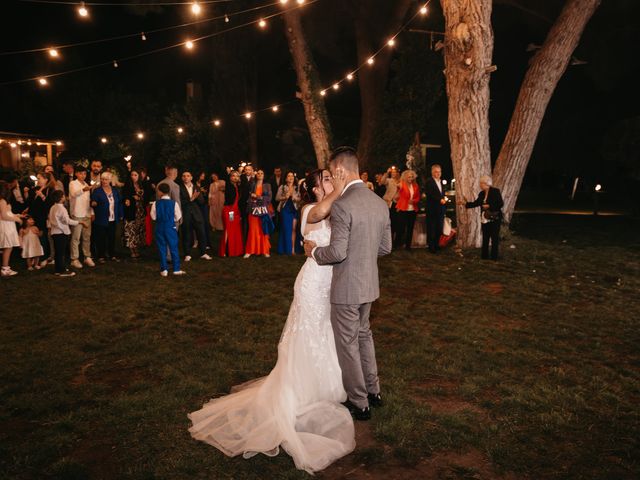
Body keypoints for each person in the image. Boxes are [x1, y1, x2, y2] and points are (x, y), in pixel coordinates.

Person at [189, 168, 355, 474]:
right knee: (306, 334)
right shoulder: (310, 209)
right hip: (311, 283)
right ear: (316, 187)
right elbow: (319, 212)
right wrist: (341, 186)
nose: (332, 182)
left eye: (333, 178)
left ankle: (328, 386)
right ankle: (302, 390)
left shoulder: (336, 207)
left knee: (324, 333)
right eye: (327, 179)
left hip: (330, 282)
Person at [304, 146, 392, 421]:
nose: (333, 180)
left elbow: (338, 252)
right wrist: (362, 253)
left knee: (348, 343)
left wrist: (314, 252)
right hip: (369, 286)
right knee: (364, 335)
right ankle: (374, 391)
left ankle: (359, 402)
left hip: (346, 289)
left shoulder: (342, 205)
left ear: (341, 171)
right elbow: (386, 248)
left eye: (332, 174)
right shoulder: (379, 202)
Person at [459, 175, 504, 260]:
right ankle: (484, 256)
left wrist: (489, 206)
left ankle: (494, 257)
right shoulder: (481, 193)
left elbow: (500, 204)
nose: (480, 185)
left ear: (485, 183)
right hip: (485, 219)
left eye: (481, 183)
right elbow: (476, 203)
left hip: (495, 218)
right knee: (485, 237)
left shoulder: (495, 191)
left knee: (494, 238)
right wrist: (465, 203)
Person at [151, 183, 185, 276]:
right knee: (173, 247)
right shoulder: (174, 203)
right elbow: (178, 216)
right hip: (170, 227)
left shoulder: (155, 203)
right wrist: (171, 220)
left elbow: (153, 217)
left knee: (162, 248)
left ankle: (164, 269)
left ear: (160, 192)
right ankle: (176, 269)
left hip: (159, 227)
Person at [179, 171, 212, 262]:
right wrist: (191, 199)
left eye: (188, 176)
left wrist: (198, 197)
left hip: (197, 214)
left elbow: (201, 202)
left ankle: (203, 253)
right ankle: (187, 254)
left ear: (191, 178)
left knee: (201, 233)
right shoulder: (179, 188)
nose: (186, 177)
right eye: (184, 176)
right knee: (186, 234)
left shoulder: (196, 187)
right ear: (182, 178)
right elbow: (180, 202)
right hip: (186, 214)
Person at [91, 172, 123, 263]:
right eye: (103, 179)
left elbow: (119, 202)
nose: (104, 181)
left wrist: (120, 214)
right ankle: (101, 256)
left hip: (113, 218)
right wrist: (93, 203)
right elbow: (93, 201)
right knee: (101, 238)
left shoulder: (115, 190)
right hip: (101, 218)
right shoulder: (97, 191)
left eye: (106, 179)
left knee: (112, 237)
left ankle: (112, 254)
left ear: (110, 180)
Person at [48, 189, 82, 277]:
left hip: (55, 232)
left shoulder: (53, 207)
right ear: (61, 198)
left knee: (58, 252)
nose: (64, 197)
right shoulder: (61, 208)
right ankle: (61, 270)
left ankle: (58, 268)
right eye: (63, 196)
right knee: (61, 252)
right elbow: (67, 220)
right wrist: (79, 222)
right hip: (61, 232)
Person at [68, 166, 95, 268]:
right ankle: (74, 259)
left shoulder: (86, 184)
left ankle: (87, 256)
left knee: (87, 237)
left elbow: (88, 201)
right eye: (81, 173)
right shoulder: (72, 183)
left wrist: (92, 212)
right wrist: (83, 190)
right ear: (76, 174)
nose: (83, 175)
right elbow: (73, 194)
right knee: (76, 237)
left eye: (84, 174)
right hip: (77, 214)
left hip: (86, 214)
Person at [27, 172, 55, 266]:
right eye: (37, 178)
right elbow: (31, 203)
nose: (38, 180)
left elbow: (50, 205)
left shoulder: (49, 190)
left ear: (46, 179)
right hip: (34, 217)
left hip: (43, 217)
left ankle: (44, 257)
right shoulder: (35, 189)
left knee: (42, 237)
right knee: (34, 238)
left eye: (39, 178)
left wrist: (42, 196)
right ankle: (34, 257)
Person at [243, 169, 272, 258]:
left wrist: (258, 197)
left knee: (263, 230)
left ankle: (264, 250)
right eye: (258, 173)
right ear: (256, 175)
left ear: (264, 175)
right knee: (252, 230)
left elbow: (269, 198)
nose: (259, 174)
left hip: (263, 211)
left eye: (261, 173)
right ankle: (250, 250)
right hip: (253, 211)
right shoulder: (252, 185)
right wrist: (252, 197)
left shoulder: (267, 185)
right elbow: (249, 196)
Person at [122, 169, 147, 259]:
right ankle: (132, 250)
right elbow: (124, 196)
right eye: (132, 175)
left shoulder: (141, 185)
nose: (133, 177)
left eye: (135, 175)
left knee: (138, 231)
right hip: (131, 211)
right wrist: (131, 198)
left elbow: (146, 196)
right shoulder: (128, 185)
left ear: (139, 176)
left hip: (140, 211)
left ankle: (137, 248)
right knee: (131, 230)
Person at [0, 181, 23, 277]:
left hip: (8, 224)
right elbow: (4, 216)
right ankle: (5, 268)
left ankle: (6, 267)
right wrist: (17, 219)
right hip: (5, 225)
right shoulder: (2, 201)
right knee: (8, 246)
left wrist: (17, 215)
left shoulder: (3, 200)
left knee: (8, 246)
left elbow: (7, 213)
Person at [219, 170, 244, 257]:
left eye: (237, 176)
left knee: (235, 231)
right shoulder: (229, 186)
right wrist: (228, 172)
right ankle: (224, 251)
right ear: (230, 177)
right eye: (233, 176)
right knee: (228, 229)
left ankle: (234, 250)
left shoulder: (238, 187)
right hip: (230, 211)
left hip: (236, 211)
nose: (235, 177)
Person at [394, 169, 421, 250]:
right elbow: (398, 187)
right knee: (400, 228)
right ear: (405, 177)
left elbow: (418, 197)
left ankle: (408, 246)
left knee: (410, 228)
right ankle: (396, 245)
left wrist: (413, 201)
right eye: (409, 177)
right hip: (403, 209)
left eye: (412, 177)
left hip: (412, 210)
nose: (411, 178)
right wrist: (398, 186)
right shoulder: (402, 184)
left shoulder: (416, 186)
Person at [275, 171, 301, 255]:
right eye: (289, 176)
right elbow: (277, 198)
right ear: (286, 178)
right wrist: (284, 197)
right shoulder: (282, 187)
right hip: (285, 209)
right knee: (287, 229)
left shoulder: (297, 187)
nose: (290, 178)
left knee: (293, 229)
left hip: (295, 209)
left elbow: (300, 199)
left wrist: (295, 198)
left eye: (292, 176)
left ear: (294, 178)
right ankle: (287, 249)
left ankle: (293, 249)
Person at [425, 164, 447, 253]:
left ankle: (437, 245)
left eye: (439, 172)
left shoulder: (441, 182)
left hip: (440, 209)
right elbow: (430, 194)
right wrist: (440, 200)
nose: (438, 173)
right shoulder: (429, 182)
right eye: (436, 172)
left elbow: (442, 194)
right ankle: (431, 247)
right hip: (432, 209)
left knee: (439, 228)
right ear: (432, 172)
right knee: (432, 229)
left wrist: (444, 199)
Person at [381, 166, 400, 243]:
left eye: (394, 172)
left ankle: (394, 241)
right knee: (388, 222)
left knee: (395, 222)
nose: (393, 174)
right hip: (388, 203)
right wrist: (387, 173)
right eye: (392, 173)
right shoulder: (389, 180)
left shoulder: (400, 181)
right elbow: (382, 181)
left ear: (397, 173)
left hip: (396, 204)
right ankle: (386, 240)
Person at [195, 172, 212, 249]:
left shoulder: (204, 184)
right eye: (202, 176)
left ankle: (207, 242)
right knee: (197, 224)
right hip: (196, 205)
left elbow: (207, 194)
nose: (203, 177)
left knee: (205, 223)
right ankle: (197, 241)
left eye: (204, 176)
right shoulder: (193, 184)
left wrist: (204, 192)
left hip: (203, 205)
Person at [239, 164, 255, 241]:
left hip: (252, 203)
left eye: (249, 169)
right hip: (243, 202)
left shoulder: (255, 179)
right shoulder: (241, 178)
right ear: (244, 171)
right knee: (244, 221)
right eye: (246, 170)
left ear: (252, 170)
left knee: (251, 222)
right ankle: (243, 238)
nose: (248, 171)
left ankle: (250, 238)